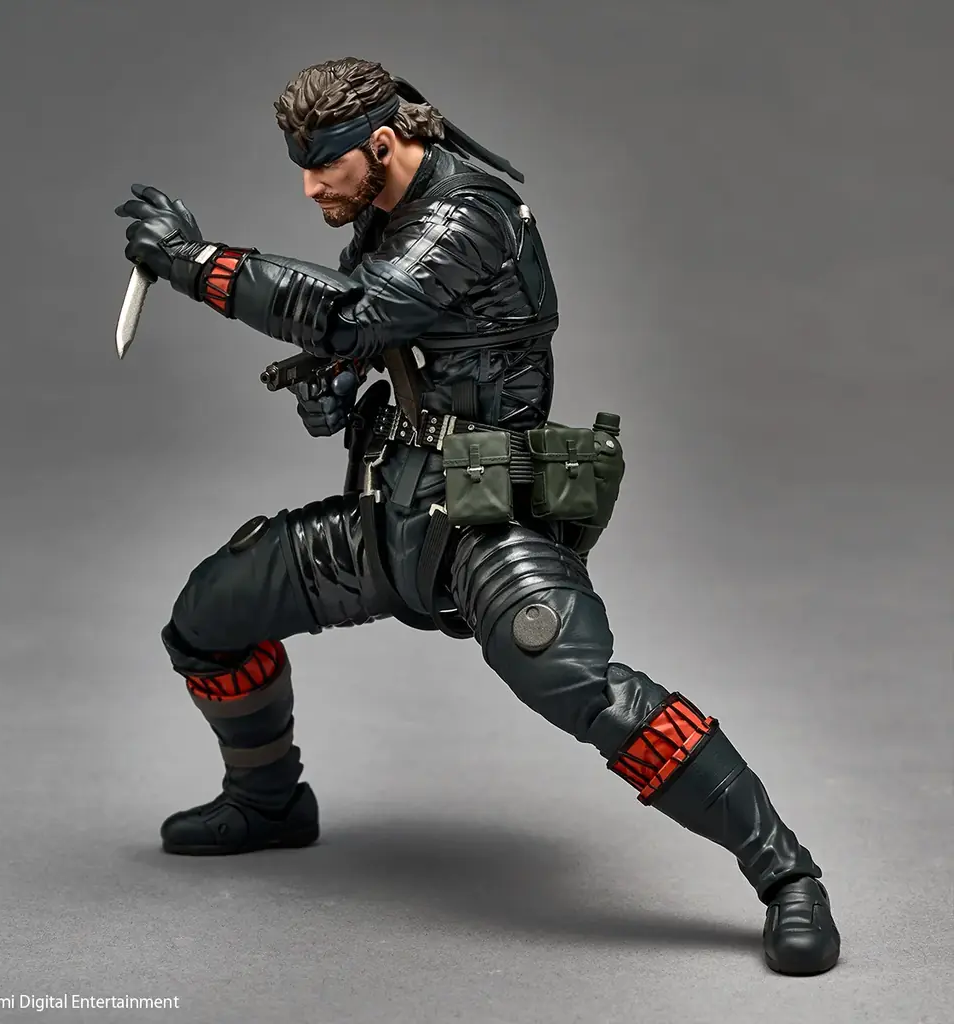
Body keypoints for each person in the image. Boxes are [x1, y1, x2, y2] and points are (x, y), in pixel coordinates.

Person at [115, 56, 840, 976]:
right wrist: (338, 392)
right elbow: (379, 343)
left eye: (325, 164)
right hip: (390, 517)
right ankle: (268, 803)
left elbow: (353, 313)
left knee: (578, 682)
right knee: (208, 618)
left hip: (487, 522)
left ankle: (787, 874)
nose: (310, 187)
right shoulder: (383, 216)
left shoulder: (473, 216)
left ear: (383, 143)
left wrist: (195, 264)